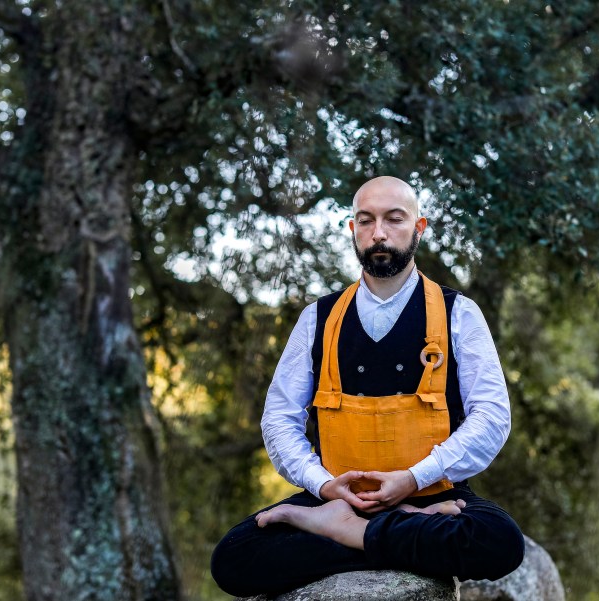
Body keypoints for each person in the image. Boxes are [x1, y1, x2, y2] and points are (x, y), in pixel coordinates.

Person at [211, 176, 524, 597]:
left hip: (433, 492)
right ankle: (391, 530)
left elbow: (491, 418)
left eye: (394, 219)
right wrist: (322, 485)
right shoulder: (317, 319)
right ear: (352, 229)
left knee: (498, 541)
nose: (378, 232)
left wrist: (413, 480)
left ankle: (350, 533)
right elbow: (280, 419)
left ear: (419, 227)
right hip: (338, 497)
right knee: (234, 557)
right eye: (366, 220)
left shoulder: (459, 314)